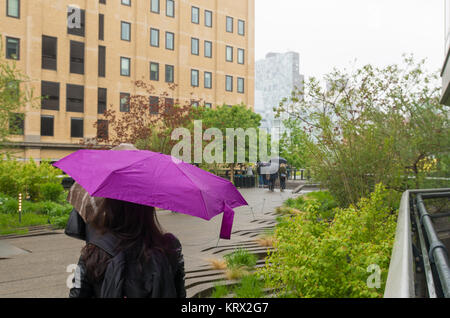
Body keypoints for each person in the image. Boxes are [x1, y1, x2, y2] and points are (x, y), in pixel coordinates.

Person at [68, 198, 186, 298]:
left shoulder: (94, 252)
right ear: (148, 209)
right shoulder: (170, 248)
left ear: (110, 208)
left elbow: (77, 294)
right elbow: (180, 293)